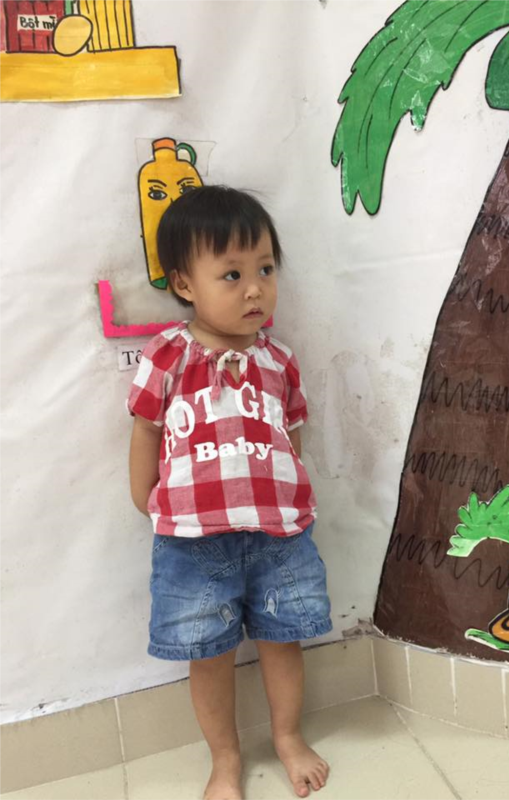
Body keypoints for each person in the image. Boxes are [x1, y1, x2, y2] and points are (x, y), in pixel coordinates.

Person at [127, 185, 332, 800]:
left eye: (265, 269)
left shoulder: (279, 360)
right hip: (192, 540)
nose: (254, 289)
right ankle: (224, 760)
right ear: (184, 284)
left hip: (279, 535)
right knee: (208, 651)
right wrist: (146, 496)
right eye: (233, 275)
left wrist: (290, 486)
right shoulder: (169, 356)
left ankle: (288, 737)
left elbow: (294, 430)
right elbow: (146, 427)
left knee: (283, 639)